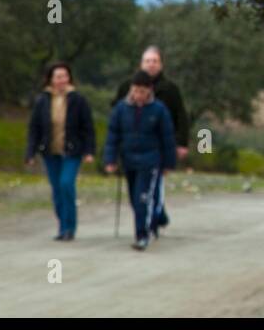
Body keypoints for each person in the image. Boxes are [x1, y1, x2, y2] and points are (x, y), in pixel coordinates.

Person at [114, 46, 189, 237]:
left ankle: (152, 221)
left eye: (155, 61)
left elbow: (181, 116)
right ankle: (156, 215)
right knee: (139, 192)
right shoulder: (126, 87)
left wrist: (181, 143)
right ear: (141, 63)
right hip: (133, 148)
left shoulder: (170, 89)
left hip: (159, 146)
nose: (151, 64)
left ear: (161, 64)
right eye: (148, 61)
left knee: (155, 187)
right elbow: (117, 115)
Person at [104, 71, 177, 251]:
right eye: (136, 91)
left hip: (150, 160)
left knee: (143, 198)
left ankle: (142, 235)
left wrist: (168, 163)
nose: (139, 95)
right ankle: (150, 223)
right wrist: (110, 159)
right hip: (128, 159)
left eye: (142, 91)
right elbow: (113, 135)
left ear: (149, 90)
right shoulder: (121, 109)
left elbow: (167, 138)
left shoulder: (159, 110)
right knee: (133, 199)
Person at [24, 61, 96, 241]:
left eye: (65, 76)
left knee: (66, 184)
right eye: (58, 77)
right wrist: (30, 152)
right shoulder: (42, 101)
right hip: (50, 151)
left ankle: (70, 227)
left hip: (72, 151)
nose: (62, 80)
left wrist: (89, 151)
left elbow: (88, 127)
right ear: (51, 79)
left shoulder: (78, 100)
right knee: (56, 189)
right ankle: (62, 226)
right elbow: (34, 128)